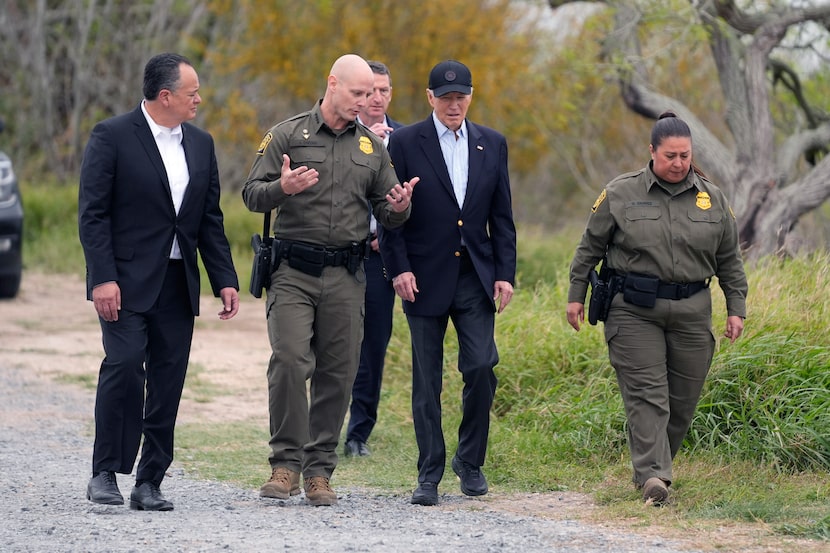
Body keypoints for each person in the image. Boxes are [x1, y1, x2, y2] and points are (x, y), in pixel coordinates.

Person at [242, 54, 418, 507]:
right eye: (358, 93)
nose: (367, 102)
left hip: (346, 275)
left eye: (373, 94)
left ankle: (319, 469)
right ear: (333, 85)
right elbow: (251, 195)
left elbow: (388, 212)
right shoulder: (288, 134)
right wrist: (285, 188)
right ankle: (285, 465)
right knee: (289, 361)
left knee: (337, 373)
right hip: (293, 273)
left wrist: (399, 207)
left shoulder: (371, 148)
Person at [78, 52, 240, 511]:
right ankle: (105, 471)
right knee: (125, 366)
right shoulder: (111, 136)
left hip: (176, 281)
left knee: (169, 380)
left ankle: (150, 480)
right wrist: (102, 278)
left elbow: (209, 218)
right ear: (165, 95)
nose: (199, 100)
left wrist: (224, 278)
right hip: (124, 281)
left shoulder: (202, 144)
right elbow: (92, 215)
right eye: (192, 93)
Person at [566, 111, 748, 505]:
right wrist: (575, 294)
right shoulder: (620, 192)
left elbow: (729, 258)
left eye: (684, 155)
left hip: (692, 310)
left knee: (682, 400)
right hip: (634, 309)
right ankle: (653, 477)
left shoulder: (712, 197)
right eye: (670, 156)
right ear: (651, 152)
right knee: (649, 395)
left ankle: (652, 468)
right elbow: (589, 248)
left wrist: (736, 306)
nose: (678, 163)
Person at [379, 59, 517, 506]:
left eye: (461, 97)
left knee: (481, 366)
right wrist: (397, 268)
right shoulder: (403, 142)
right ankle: (429, 473)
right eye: (446, 97)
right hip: (422, 277)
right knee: (427, 382)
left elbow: (503, 218)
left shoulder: (492, 144)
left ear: (470, 97)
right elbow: (389, 213)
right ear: (430, 98)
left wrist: (504, 274)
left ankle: (469, 461)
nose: (454, 104)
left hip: (475, 277)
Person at [344, 60, 405, 458]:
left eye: (384, 91)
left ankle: (358, 434)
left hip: (380, 257)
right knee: (333, 342)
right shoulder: (339, 134)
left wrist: (392, 233)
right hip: (341, 252)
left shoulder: (406, 139)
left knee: (373, 346)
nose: (377, 98)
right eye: (369, 91)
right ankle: (320, 422)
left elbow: (413, 200)